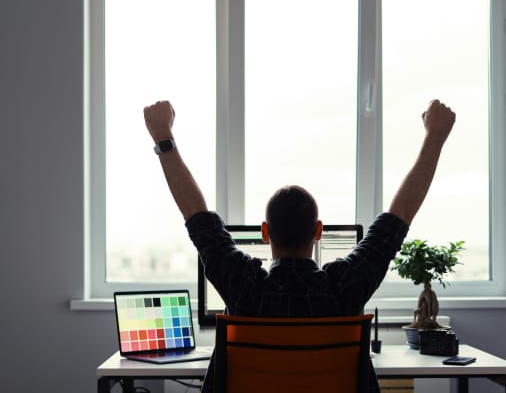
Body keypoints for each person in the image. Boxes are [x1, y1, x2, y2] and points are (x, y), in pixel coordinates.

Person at [143, 99, 456, 392]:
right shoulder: (344, 287)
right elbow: (398, 218)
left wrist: (163, 135)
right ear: (318, 232)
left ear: (265, 233)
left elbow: (197, 218)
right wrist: (435, 137)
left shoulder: (243, 286)